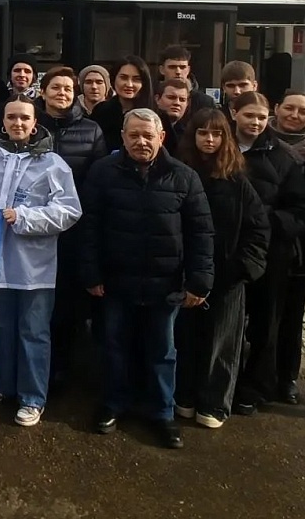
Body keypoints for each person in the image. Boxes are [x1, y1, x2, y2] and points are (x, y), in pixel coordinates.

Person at [82, 108, 214, 449]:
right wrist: (91, 273)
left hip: (165, 284)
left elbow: (201, 233)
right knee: (113, 347)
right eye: (134, 135)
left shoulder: (184, 177)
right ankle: (112, 404)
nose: (141, 141)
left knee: (162, 352)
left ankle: (162, 413)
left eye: (148, 135)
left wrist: (199, 280)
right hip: (114, 280)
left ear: (161, 137)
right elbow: (90, 228)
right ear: (123, 137)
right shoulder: (103, 172)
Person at [0, 94, 81, 426]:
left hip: (34, 266)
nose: (18, 123)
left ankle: (32, 397)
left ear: (34, 125)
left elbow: (69, 211)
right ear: (2, 121)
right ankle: (0, 383)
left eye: (24, 118)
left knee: (33, 331)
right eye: (12, 117)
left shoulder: (53, 165)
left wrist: (25, 218)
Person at [174, 109, 269, 429]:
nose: (209, 140)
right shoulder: (178, 174)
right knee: (184, 339)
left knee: (222, 344)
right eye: (203, 133)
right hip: (184, 274)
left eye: (216, 134)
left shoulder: (237, 180)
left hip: (228, 278)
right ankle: (183, 397)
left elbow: (258, 231)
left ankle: (213, 403)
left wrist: (242, 269)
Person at [229, 91, 305, 416]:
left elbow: (302, 208)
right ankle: (223, 379)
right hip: (227, 251)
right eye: (249, 115)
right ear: (234, 113)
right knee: (226, 322)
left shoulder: (281, 157)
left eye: (261, 117)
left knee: (265, 324)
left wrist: (267, 222)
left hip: (269, 255)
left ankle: (254, 387)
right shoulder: (219, 147)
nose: (255, 122)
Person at [33, 67, 107, 388]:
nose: (61, 93)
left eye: (67, 88)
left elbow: (98, 179)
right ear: (43, 92)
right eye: (55, 88)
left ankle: (61, 367)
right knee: (37, 301)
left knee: (67, 303)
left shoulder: (91, 130)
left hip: (73, 231)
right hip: (33, 228)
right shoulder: (29, 126)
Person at [267, 90, 305, 403]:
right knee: (264, 313)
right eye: (288, 107)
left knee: (292, 314)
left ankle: (287, 377)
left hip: (300, 246)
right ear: (276, 108)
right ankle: (261, 373)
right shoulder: (260, 143)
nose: (294, 115)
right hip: (263, 242)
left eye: (302, 111)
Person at [89, 56, 155, 156]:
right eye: (123, 78)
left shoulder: (156, 115)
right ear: (113, 79)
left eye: (136, 79)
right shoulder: (101, 111)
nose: (129, 84)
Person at [157, 45, 217, 116]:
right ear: (162, 70)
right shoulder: (149, 96)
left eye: (182, 67)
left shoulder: (205, 102)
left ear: (188, 70)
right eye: (172, 67)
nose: (178, 71)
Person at [155, 78, 191, 156]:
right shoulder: (148, 127)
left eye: (182, 99)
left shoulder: (189, 133)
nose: (177, 103)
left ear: (187, 104)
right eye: (171, 97)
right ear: (157, 99)